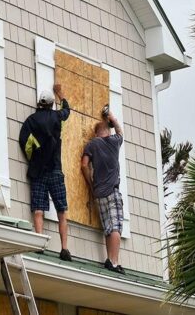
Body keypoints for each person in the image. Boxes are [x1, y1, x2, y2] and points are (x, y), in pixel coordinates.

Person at [18, 84, 72, 261]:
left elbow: (24, 142)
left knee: (38, 208)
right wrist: (61, 93)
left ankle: (40, 243)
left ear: (39, 103)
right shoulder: (58, 117)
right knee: (61, 210)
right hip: (55, 169)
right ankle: (64, 249)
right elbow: (67, 110)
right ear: (50, 104)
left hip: (39, 171)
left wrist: (34, 157)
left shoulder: (30, 121)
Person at [81, 109, 125, 274]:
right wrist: (112, 118)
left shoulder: (92, 144)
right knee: (116, 227)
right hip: (112, 192)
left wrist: (91, 185)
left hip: (99, 193)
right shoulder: (114, 141)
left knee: (108, 226)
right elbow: (120, 131)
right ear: (108, 130)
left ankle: (109, 259)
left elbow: (84, 165)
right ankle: (113, 262)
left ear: (96, 132)